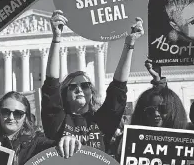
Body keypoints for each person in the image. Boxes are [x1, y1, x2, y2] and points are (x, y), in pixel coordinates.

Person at [41, 10, 144, 154]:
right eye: (73, 87)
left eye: (84, 86)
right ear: (65, 93)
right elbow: (51, 85)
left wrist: (130, 44)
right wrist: (56, 38)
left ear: (91, 92)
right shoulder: (57, 122)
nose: (79, 90)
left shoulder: (101, 121)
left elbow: (118, 89)